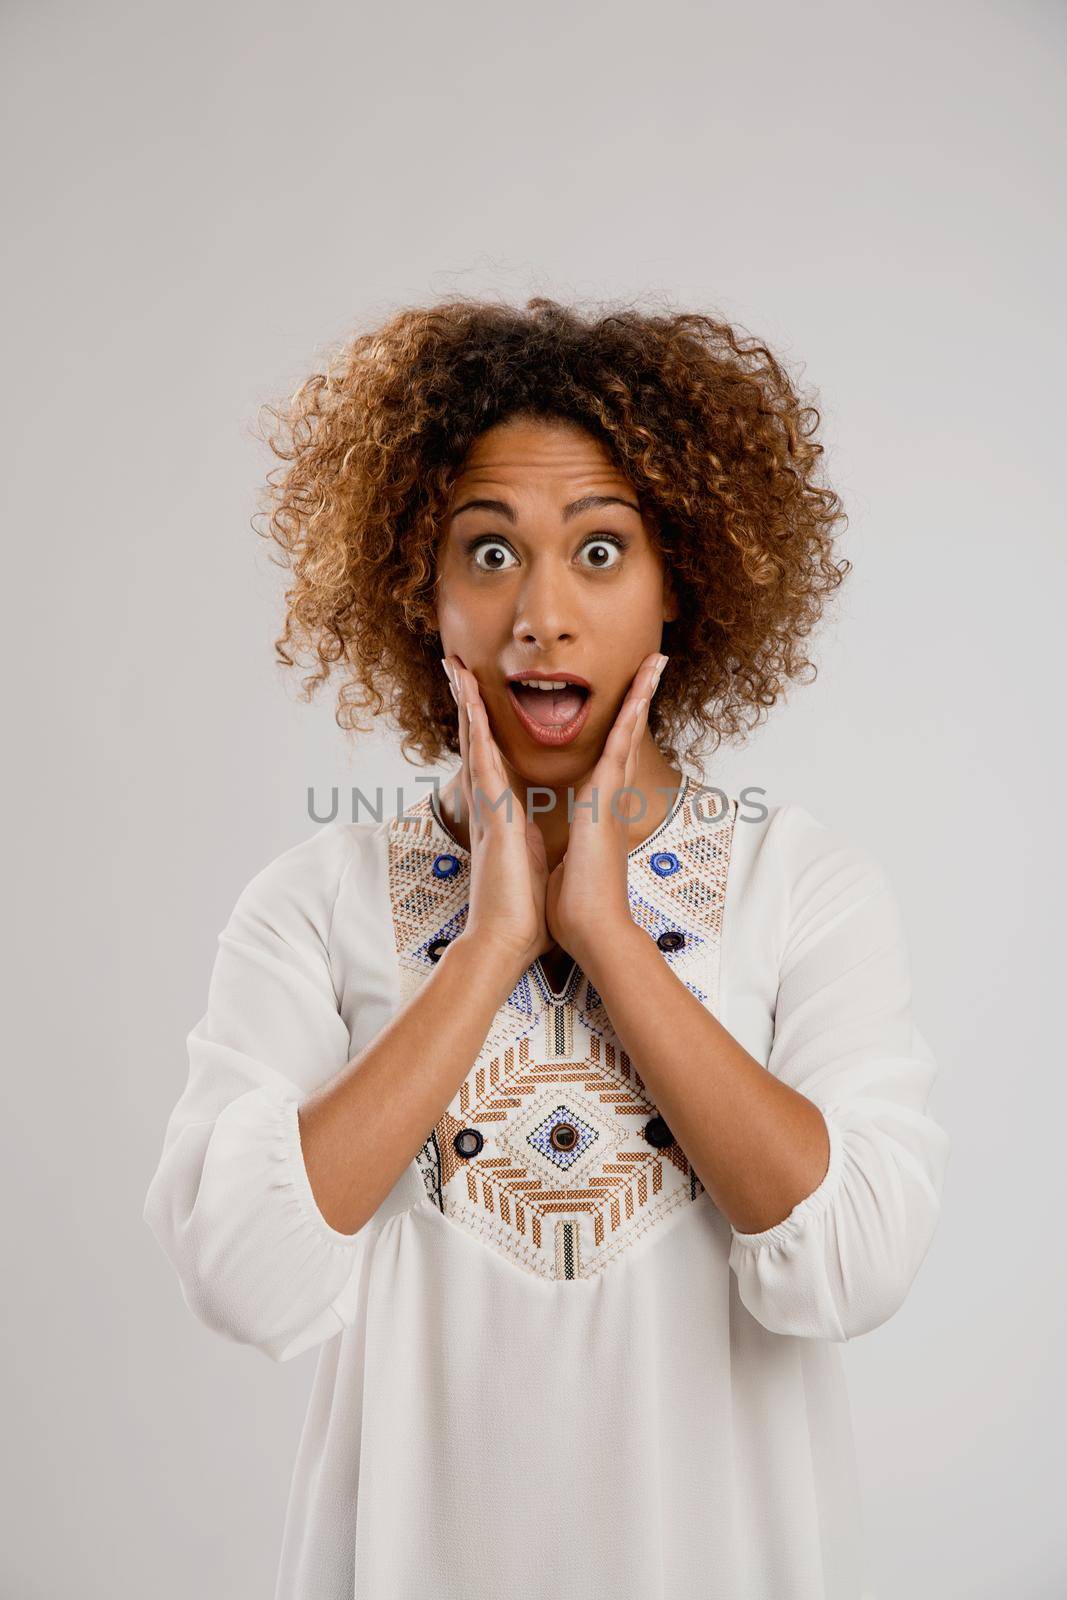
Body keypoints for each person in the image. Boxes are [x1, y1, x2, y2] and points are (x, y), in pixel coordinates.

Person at [143, 296, 950, 1600]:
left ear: (682, 572)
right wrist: (490, 950)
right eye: (489, 551)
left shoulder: (804, 891)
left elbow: (853, 1260)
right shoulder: (319, 902)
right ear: (421, 588)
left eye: (598, 550)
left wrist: (608, 942)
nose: (543, 615)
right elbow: (240, 1268)